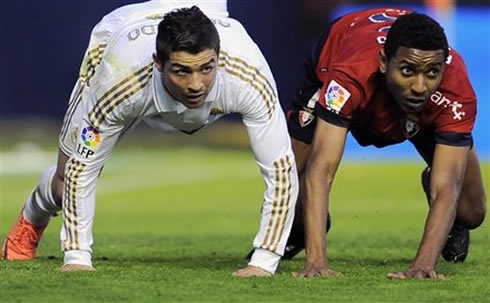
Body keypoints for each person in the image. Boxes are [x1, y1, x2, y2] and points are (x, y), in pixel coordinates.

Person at [1, 1, 299, 277]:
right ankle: (33, 215)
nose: (196, 84)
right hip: (118, 45)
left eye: (206, 69)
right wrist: (77, 257)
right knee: (64, 181)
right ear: (158, 63)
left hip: (210, 38)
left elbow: (281, 169)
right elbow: (83, 169)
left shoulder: (247, 77)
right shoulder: (119, 80)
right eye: (182, 71)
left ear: (218, 58)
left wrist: (265, 260)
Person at [285, 8, 486, 279]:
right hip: (335, 51)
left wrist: (423, 266)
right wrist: (316, 262)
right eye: (407, 70)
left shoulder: (455, 90)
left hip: (418, 112)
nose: (419, 86)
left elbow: (448, 185)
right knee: (290, 178)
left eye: (432, 73)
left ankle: (446, 212)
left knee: (472, 212)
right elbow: (321, 168)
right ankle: (299, 231)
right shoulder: (349, 76)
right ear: (383, 62)